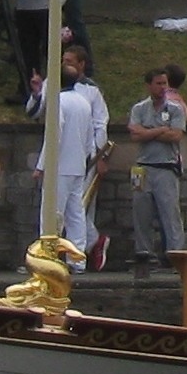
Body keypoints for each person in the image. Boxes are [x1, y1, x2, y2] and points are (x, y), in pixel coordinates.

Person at [36, 46, 108, 263]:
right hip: (78, 166)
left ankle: (47, 257)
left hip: (59, 166)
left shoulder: (59, 103)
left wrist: (41, 166)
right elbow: (89, 138)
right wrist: (88, 159)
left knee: (51, 212)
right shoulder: (83, 102)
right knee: (76, 214)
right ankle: (77, 259)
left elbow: (53, 137)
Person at [126, 66, 187, 265]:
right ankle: (144, 251)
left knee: (170, 212)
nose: (162, 88)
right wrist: (160, 130)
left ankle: (174, 252)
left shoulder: (175, 109)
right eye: (158, 83)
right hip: (143, 167)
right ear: (149, 85)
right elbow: (135, 135)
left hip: (166, 166)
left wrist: (148, 132)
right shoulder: (139, 109)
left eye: (165, 83)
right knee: (141, 211)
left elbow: (176, 135)